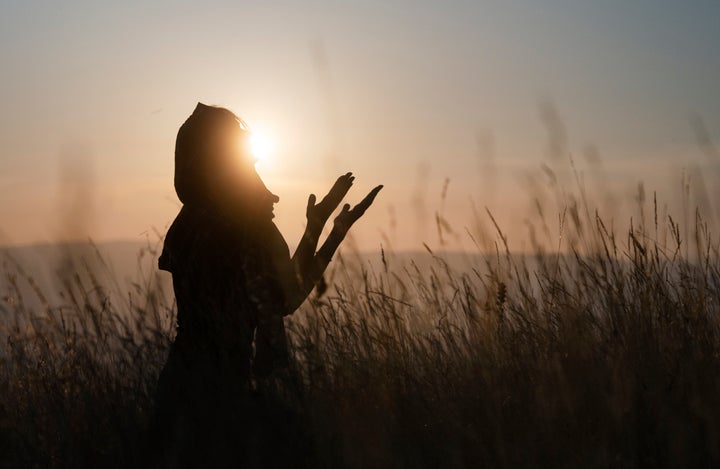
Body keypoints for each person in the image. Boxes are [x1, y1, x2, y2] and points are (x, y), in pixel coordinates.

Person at [150, 103, 381, 467]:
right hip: (223, 397)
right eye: (245, 162)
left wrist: (323, 229)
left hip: (178, 392)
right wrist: (325, 230)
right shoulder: (242, 228)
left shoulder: (188, 225)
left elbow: (275, 297)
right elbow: (285, 298)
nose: (257, 177)